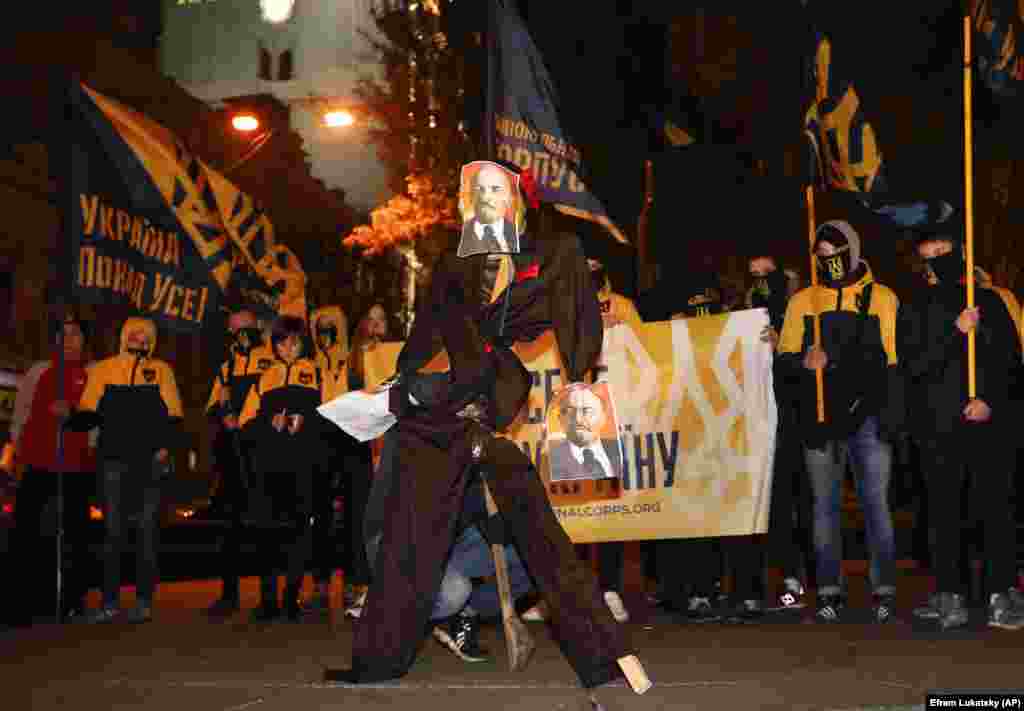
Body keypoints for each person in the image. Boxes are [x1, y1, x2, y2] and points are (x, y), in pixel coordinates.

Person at [324, 168, 648, 692]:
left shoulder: (553, 251)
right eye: (477, 193)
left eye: (497, 190)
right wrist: (393, 390)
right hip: (435, 410)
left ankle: (608, 656)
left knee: (540, 531)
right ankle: (377, 661)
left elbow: (575, 313)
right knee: (409, 537)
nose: (486, 201)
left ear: (518, 200)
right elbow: (426, 332)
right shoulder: (454, 265)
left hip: (491, 396)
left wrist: (582, 381)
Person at [777, 220, 903, 624]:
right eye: (822, 256)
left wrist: (889, 416)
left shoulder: (881, 297)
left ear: (852, 250)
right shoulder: (803, 302)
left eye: (835, 253)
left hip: (867, 417)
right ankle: (830, 589)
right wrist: (802, 363)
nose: (828, 261)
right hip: (819, 417)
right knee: (824, 507)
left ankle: (884, 589)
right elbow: (783, 360)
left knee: (875, 505)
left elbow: (893, 360)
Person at [899, 230, 1024, 630]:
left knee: (995, 508)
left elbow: (1009, 360)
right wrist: (955, 332)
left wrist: (990, 401)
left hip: (987, 422)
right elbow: (914, 367)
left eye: (944, 251)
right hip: (939, 425)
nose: (937, 260)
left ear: (961, 252)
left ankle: (1000, 592)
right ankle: (949, 592)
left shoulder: (989, 300)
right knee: (944, 511)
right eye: (929, 255)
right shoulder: (915, 306)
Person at [67, 317, 183, 624]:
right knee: (112, 533)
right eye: (134, 333)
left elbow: (173, 416)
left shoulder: (161, 370)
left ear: (152, 341)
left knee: (146, 532)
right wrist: (69, 418)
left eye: (146, 334)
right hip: (113, 460)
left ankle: (143, 601)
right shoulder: (103, 369)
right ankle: (109, 603)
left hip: (150, 461)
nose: (139, 338)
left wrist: (165, 446)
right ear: (123, 336)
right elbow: (88, 411)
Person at [722, 255, 809, 623]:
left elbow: (808, 374)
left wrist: (782, 349)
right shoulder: (736, 319)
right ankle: (747, 590)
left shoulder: (798, 315)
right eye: (752, 274)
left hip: (786, 425)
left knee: (785, 504)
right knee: (747, 508)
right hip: (746, 427)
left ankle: (792, 583)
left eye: (766, 274)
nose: (759, 281)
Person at [4, 315, 97, 625]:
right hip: (38, 462)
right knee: (26, 532)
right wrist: (15, 449)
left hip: (75, 466)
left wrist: (73, 418)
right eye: (64, 334)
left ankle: (71, 600)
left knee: (74, 535)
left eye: (75, 335)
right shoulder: (39, 371)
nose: (69, 340)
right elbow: (21, 413)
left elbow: (96, 418)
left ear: (84, 340)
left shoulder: (93, 374)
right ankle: (21, 601)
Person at [239, 315, 325, 622]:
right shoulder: (265, 377)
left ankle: (291, 598)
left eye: (293, 341)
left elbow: (331, 417)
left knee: (299, 532)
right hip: (269, 466)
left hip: (303, 465)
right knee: (267, 533)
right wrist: (268, 424)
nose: (287, 347)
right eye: (281, 341)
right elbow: (244, 424)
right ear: (274, 345)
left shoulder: (316, 372)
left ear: (303, 343)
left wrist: (308, 422)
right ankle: (267, 600)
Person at [430, 475, 533, 663]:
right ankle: (399, 616)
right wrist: (479, 513)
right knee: (454, 593)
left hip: (467, 533)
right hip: (428, 548)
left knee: (534, 561)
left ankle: (466, 612)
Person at [336, 304, 386, 620]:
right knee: (357, 516)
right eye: (372, 318)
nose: (377, 325)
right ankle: (357, 583)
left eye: (382, 320)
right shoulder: (350, 360)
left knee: (384, 516)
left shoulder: (395, 355)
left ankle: (383, 585)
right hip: (358, 447)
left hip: (387, 445)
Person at [307, 305, 350, 615]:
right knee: (319, 518)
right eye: (320, 326)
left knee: (352, 517)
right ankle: (320, 587)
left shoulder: (354, 359)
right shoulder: (310, 364)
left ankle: (352, 586)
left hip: (351, 438)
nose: (326, 331)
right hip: (320, 442)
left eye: (331, 325)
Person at [549, 386, 622, 481]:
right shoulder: (550, 460)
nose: (578, 419)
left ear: (603, 417)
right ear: (560, 419)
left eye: (587, 411)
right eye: (570, 411)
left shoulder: (621, 449)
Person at [458, 163, 520, 256]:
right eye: (480, 189)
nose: (486, 197)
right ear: (471, 195)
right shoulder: (453, 240)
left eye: (495, 189)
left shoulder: (523, 239)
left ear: (508, 197)